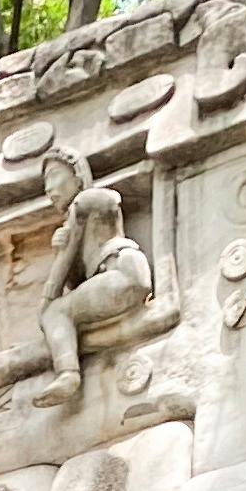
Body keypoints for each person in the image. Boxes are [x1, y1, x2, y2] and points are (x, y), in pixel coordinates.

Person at [35, 147, 154, 407]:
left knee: (55, 312)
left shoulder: (87, 201)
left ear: (78, 175)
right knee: (60, 312)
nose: (49, 188)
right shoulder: (76, 217)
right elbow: (77, 279)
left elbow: (110, 200)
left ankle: (67, 374)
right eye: (45, 182)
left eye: (54, 175)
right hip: (111, 280)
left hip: (122, 271)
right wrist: (63, 247)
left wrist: (46, 307)